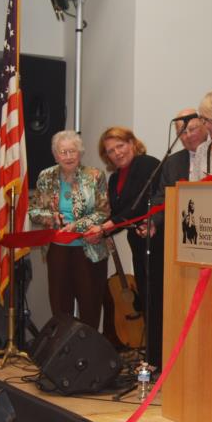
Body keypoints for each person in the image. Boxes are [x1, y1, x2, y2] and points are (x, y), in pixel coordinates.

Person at [88, 128, 163, 363]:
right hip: (137, 243)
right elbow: (120, 213)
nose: (117, 153)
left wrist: (105, 227)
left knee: (158, 301)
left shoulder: (146, 164)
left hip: (157, 241)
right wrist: (99, 230)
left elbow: (138, 206)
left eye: (120, 145)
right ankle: (152, 360)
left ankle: (160, 359)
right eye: (110, 151)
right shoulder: (114, 178)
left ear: (132, 143)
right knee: (147, 301)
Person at [28, 130, 110, 331]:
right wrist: (51, 218)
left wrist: (77, 225)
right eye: (63, 152)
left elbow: (104, 211)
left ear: (80, 153)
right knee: (60, 305)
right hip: (57, 249)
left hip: (90, 249)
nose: (68, 156)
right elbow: (34, 210)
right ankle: (63, 352)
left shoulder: (95, 175)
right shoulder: (45, 176)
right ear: (55, 155)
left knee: (90, 305)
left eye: (72, 151)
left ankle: (89, 352)